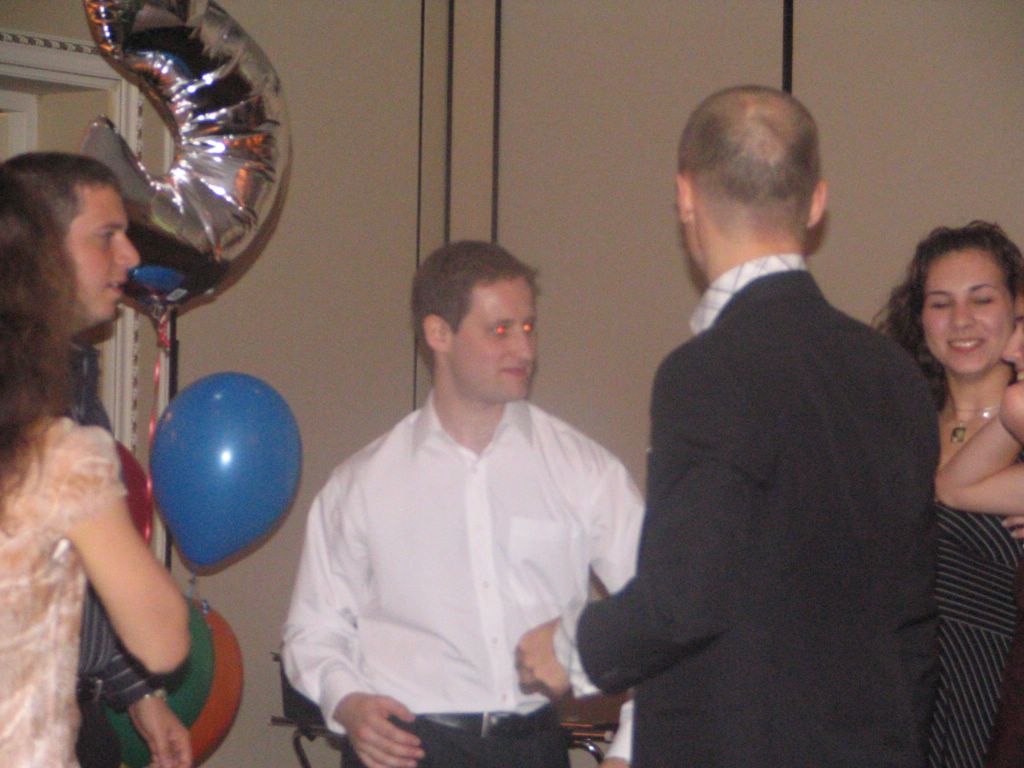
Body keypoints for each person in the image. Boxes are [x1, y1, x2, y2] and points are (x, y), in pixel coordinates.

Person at [516, 85, 940, 767]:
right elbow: (914, 620)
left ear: (685, 196)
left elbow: (684, 595)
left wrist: (567, 648)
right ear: (817, 202)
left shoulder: (707, 372)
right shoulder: (895, 373)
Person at [282, 240, 642, 768]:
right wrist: (349, 703)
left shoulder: (583, 471)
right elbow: (313, 630)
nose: (524, 349)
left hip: (533, 747)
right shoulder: (362, 484)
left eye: (529, 327)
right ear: (438, 334)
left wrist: (627, 754)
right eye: (500, 330)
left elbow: (660, 615)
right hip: (403, 748)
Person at [2, 152, 194, 768]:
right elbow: (163, 638)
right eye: (107, 235)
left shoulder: (72, 392)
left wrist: (134, 692)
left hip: (75, 710)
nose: (131, 256)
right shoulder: (56, 448)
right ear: (39, 255)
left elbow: (51, 584)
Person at [878, 221, 1024, 768]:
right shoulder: (890, 434)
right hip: (899, 701)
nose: (961, 320)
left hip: (1005, 705)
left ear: (1016, 309)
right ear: (920, 319)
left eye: (981, 299)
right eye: (941, 303)